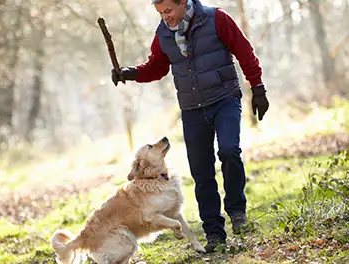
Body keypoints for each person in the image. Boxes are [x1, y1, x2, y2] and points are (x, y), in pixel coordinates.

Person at [111, 0, 269, 253]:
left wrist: (258, 87)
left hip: (224, 99)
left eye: (169, 11)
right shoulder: (163, 34)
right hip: (192, 109)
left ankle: (237, 211)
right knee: (201, 171)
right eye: (160, 13)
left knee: (229, 151)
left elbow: (244, 51)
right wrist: (130, 73)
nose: (165, 17)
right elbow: (156, 67)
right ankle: (214, 232)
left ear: (183, 3)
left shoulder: (216, 19)